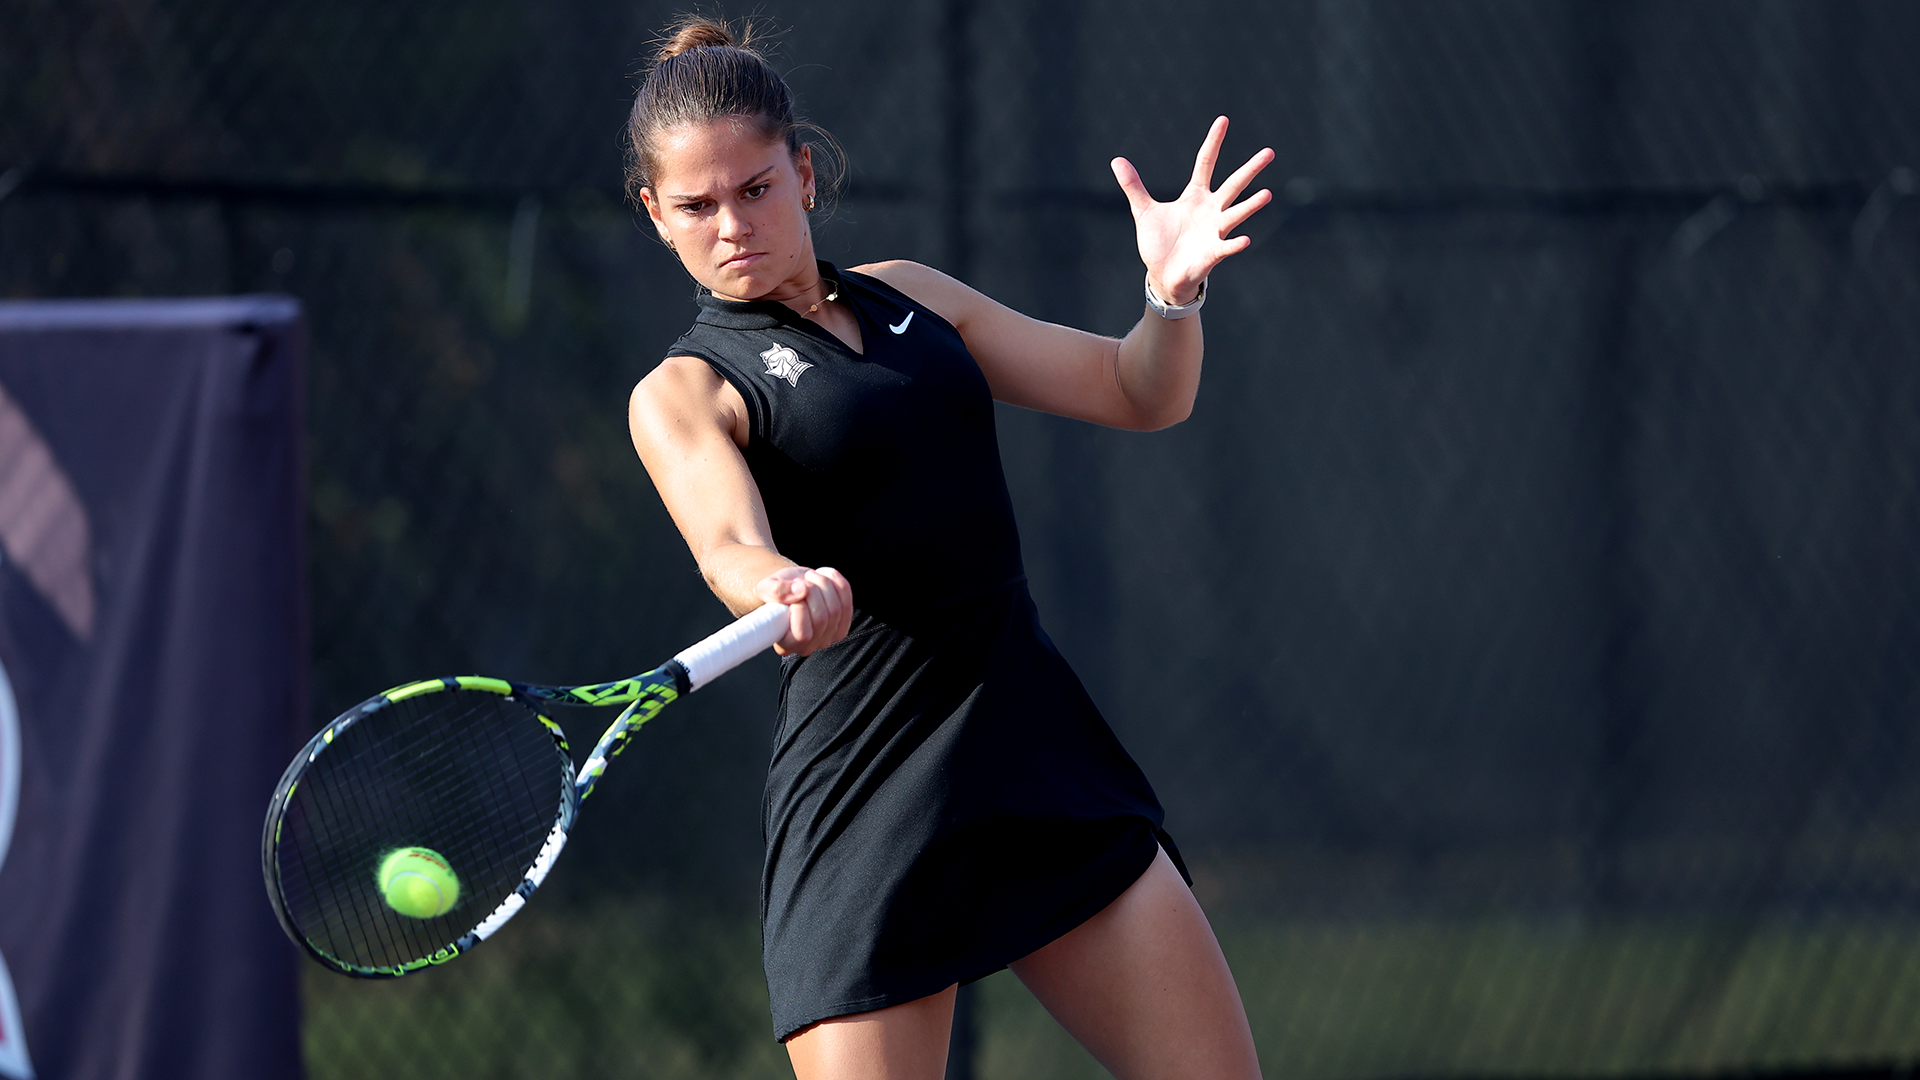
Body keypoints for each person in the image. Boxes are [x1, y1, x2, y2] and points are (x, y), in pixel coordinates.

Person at [624, 15, 1272, 1080]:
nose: (730, 225)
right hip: (869, 804)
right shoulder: (686, 392)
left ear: (804, 174)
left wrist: (1171, 293)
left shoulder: (917, 298)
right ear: (656, 215)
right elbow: (726, 541)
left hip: (1035, 760)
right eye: (694, 206)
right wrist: (775, 583)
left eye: (755, 189)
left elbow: (1138, 389)